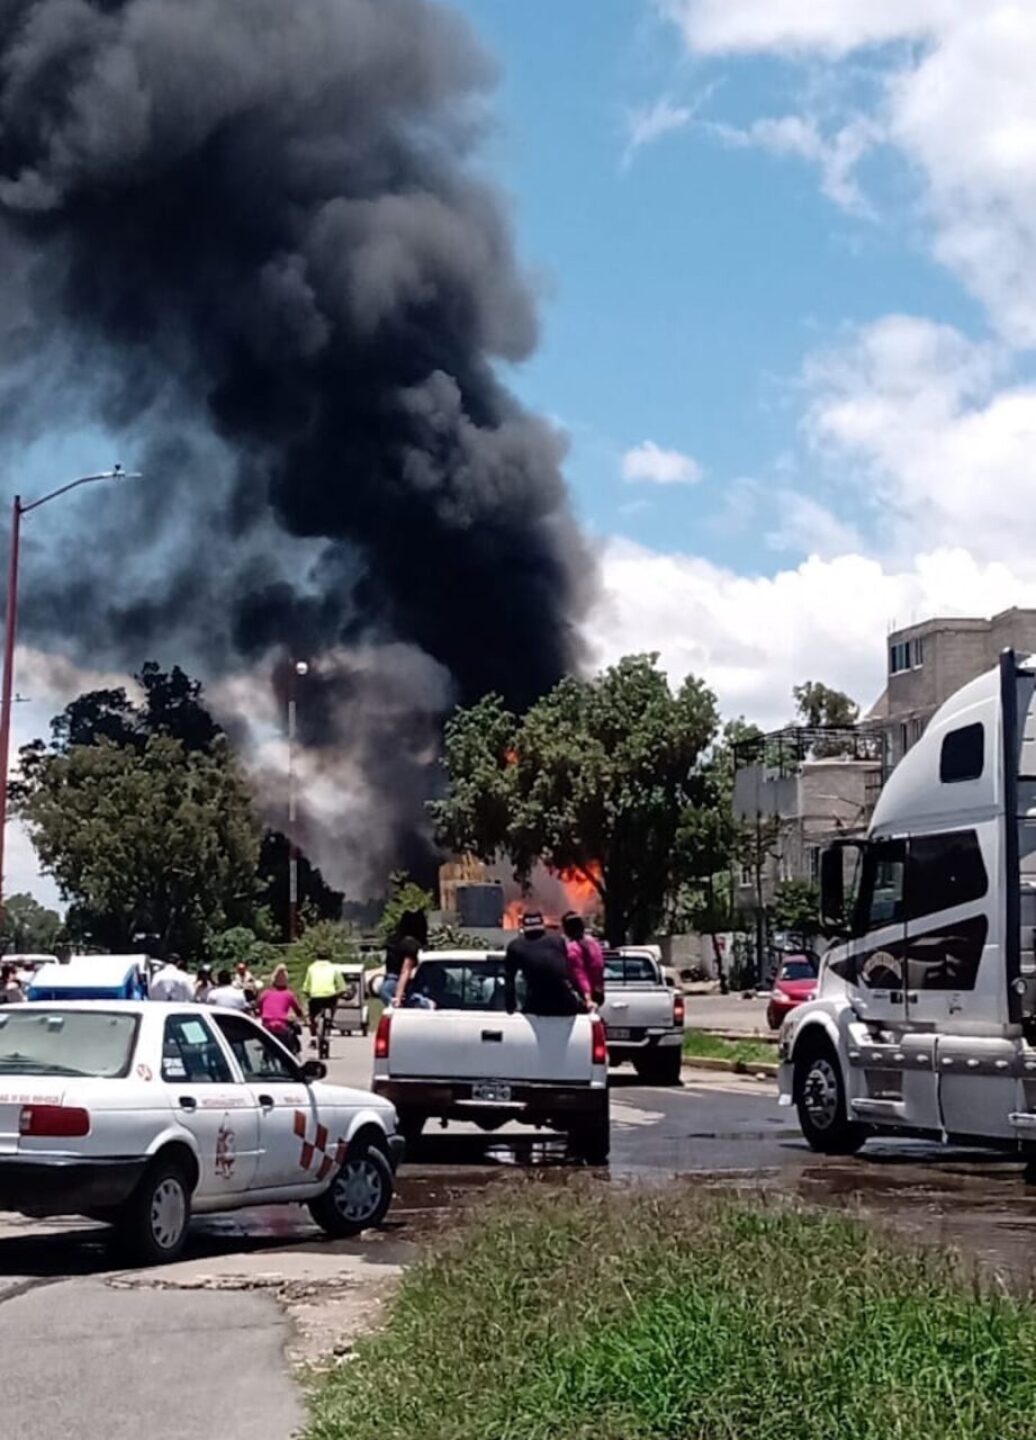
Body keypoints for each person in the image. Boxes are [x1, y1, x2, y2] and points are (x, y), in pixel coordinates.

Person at [504, 911, 581, 1017]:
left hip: (537, 1006)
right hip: (566, 1005)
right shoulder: (558, 941)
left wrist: (510, 1007)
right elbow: (571, 972)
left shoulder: (515, 946)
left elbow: (509, 981)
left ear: (524, 927)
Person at [382, 909, 428, 1009]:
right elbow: (405, 970)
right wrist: (398, 996)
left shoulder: (394, 942)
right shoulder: (411, 944)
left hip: (387, 984)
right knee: (428, 1005)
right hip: (397, 984)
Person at [562, 911, 605, 1010]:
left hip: (582, 998)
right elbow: (599, 966)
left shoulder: (573, 949)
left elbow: (580, 975)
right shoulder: (594, 943)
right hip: (598, 992)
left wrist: (588, 998)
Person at [301, 947, 345, 1046]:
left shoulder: (311, 968)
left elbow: (305, 988)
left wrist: (309, 994)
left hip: (315, 996)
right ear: (329, 957)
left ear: (316, 957)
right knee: (334, 1001)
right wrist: (339, 994)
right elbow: (342, 987)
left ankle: (313, 1038)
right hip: (330, 996)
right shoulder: (334, 968)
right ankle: (331, 1020)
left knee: (311, 1016)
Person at [258, 964, 305, 1052]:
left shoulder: (265, 994)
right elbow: (298, 1010)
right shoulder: (289, 994)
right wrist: (301, 1017)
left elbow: (260, 1009)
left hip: (266, 1027)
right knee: (293, 1048)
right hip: (282, 1026)